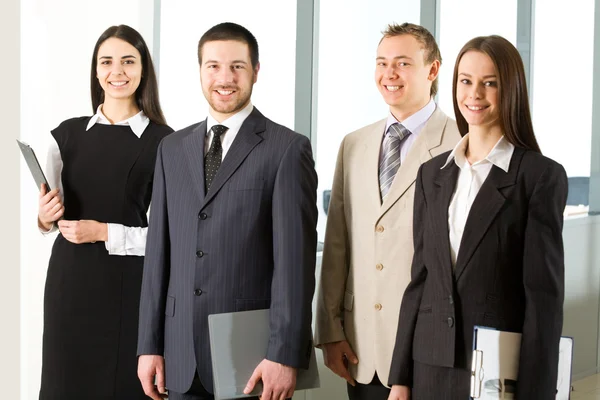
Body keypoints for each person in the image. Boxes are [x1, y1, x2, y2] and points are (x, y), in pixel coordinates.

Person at [136, 22, 318, 400]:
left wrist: (284, 354)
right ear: (200, 71)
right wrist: (148, 345)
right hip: (178, 356)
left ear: (255, 71)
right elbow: (158, 257)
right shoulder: (170, 149)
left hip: (250, 360)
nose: (225, 77)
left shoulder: (287, 149)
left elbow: (294, 265)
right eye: (213, 66)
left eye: (237, 66)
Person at [387, 35, 567, 400]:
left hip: (497, 371)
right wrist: (400, 378)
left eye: (490, 83)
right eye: (466, 81)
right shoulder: (430, 174)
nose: (475, 94)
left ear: (511, 88)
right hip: (429, 368)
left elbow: (543, 300)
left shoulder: (538, 177)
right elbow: (419, 282)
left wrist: (536, 392)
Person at [314, 22, 460, 400]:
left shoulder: (460, 143)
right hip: (362, 347)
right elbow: (338, 244)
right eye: (381, 63)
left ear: (433, 70)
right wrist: (330, 330)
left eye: (402, 63)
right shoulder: (354, 144)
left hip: (429, 349)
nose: (389, 74)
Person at [37, 24, 173, 399]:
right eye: (107, 62)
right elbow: (49, 218)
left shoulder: (166, 142)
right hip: (70, 283)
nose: (118, 71)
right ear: (96, 71)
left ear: (143, 69)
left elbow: (170, 236)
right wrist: (44, 216)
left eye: (128, 61)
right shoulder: (64, 135)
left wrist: (103, 232)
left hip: (129, 287)